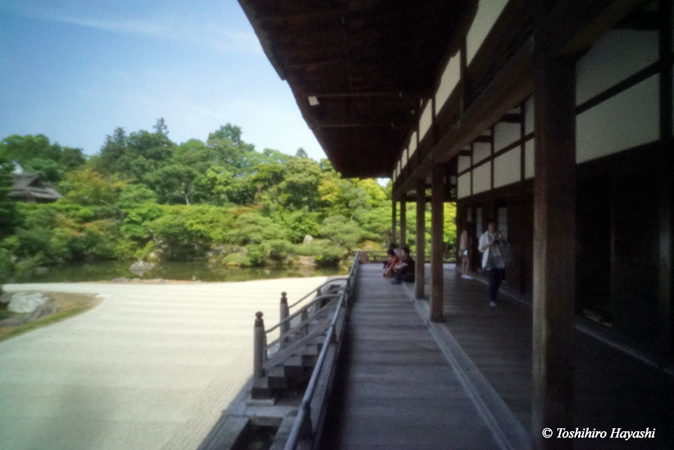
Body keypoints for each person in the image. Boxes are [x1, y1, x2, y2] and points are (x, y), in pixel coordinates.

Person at [478, 218, 506, 307]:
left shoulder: (500, 235)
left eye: (494, 225)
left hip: (499, 259)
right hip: (490, 260)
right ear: (488, 226)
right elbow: (480, 248)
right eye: (491, 225)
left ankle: (494, 294)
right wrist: (489, 243)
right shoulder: (484, 236)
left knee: (499, 280)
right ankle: (492, 299)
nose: (492, 227)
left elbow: (505, 244)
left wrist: (501, 241)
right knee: (492, 279)